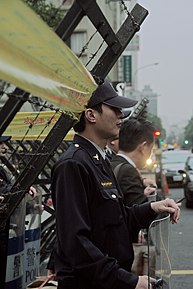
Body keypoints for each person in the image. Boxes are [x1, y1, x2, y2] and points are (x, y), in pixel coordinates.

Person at [51, 80, 180, 289]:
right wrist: (130, 281)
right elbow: (76, 243)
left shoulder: (99, 160)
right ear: (91, 115)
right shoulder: (73, 164)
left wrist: (152, 208)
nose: (121, 115)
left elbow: (116, 221)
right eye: (115, 109)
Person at [111, 118, 157, 207]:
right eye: (151, 149)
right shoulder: (129, 172)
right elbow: (137, 214)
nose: (150, 154)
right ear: (143, 147)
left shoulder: (110, 163)